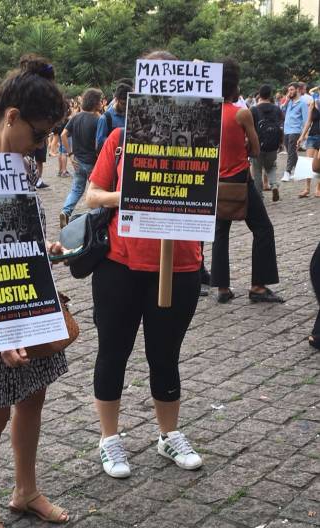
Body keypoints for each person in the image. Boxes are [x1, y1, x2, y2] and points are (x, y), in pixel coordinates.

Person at [0, 56, 69, 528]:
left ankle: (25, 491)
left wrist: (42, 245)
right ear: (11, 117)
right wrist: (0, 332)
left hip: (33, 298)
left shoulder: (24, 168)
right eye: (40, 131)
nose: (43, 143)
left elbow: (17, 235)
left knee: (33, 398)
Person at [85, 51, 203, 480]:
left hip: (181, 265)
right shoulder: (118, 142)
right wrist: (133, 195)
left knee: (165, 354)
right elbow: (93, 196)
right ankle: (109, 438)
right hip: (120, 264)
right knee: (113, 352)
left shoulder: (200, 142)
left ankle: (168, 434)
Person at [211, 59, 283, 305]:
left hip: (215, 183)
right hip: (239, 180)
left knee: (220, 234)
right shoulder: (241, 113)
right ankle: (258, 286)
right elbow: (255, 148)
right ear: (235, 87)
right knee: (263, 228)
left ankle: (222, 287)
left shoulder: (207, 113)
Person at [59, 88, 103, 228]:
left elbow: (63, 134)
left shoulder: (76, 117)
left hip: (77, 160)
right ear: (95, 103)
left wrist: (70, 154)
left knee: (77, 189)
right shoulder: (98, 120)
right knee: (95, 191)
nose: (102, 103)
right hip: (92, 162)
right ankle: (96, 217)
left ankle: (66, 211)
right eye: (100, 101)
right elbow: (99, 143)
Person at [250, 84, 283, 202]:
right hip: (272, 145)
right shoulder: (276, 109)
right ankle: (274, 185)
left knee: (257, 170)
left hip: (257, 144)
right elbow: (280, 127)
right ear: (270, 95)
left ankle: (259, 197)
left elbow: (250, 128)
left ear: (259, 94)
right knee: (271, 167)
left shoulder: (253, 109)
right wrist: (280, 143)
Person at [281, 82, 308, 182]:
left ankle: (287, 172)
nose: (289, 92)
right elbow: (281, 110)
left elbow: (306, 120)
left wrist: (304, 134)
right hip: (286, 130)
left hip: (295, 131)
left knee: (291, 151)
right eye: (289, 90)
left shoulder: (303, 103)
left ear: (297, 90)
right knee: (290, 152)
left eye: (291, 90)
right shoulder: (289, 102)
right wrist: (287, 100)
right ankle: (299, 171)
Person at [95, 82, 132, 153]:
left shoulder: (130, 115)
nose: (126, 107)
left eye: (128, 104)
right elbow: (99, 143)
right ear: (116, 99)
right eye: (123, 104)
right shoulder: (105, 118)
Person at [296, 94, 320, 198]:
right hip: (312, 136)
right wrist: (302, 136)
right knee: (308, 164)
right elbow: (308, 121)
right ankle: (307, 188)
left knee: (318, 164)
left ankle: (318, 188)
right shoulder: (313, 103)